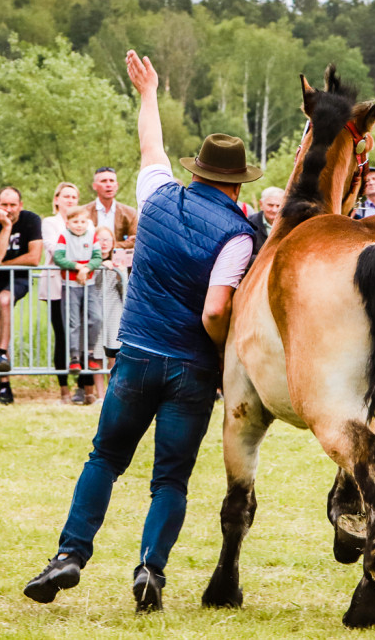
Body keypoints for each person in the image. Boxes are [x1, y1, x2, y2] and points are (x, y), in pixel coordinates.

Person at [24, 50, 259, 612]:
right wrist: (226, 352)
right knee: (170, 479)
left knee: (104, 458)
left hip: (135, 356)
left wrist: (148, 93)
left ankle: (70, 555)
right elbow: (213, 312)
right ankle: (150, 570)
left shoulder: (156, 196)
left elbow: (150, 146)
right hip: (192, 370)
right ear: (235, 184)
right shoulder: (239, 234)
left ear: (196, 170)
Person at [0, 186, 43, 404]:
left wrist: (3, 265)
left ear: (21, 205)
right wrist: (6, 227)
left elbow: (34, 258)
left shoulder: (31, 220)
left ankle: (2, 354)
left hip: (18, 278)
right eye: (4, 205)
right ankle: (3, 387)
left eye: (12, 205)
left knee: (4, 300)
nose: (8, 209)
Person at [40, 182, 88, 404]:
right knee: (62, 335)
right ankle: (63, 390)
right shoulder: (50, 222)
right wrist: (80, 260)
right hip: (57, 286)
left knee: (83, 335)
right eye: (65, 196)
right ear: (56, 199)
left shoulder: (84, 221)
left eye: (74, 197)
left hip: (80, 284)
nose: (70, 200)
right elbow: (53, 248)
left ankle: (83, 388)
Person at [53, 205, 103, 374]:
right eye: (75, 222)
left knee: (96, 318)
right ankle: (74, 356)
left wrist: (87, 268)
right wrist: (77, 267)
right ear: (68, 223)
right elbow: (59, 257)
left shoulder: (91, 235)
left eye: (83, 221)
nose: (79, 225)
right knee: (73, 321)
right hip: (71, 285)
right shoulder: (64, 237)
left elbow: (98, 257)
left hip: (89, 284)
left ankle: (89, 352)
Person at [91, 226, 128, 402]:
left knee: (113, 353)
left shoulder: (118, 263)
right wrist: (99, 265)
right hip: (96, 311)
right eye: (100, 239)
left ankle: (112, 393)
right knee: (97, 354)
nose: (104, 243)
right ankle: (99, 394)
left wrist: (120, 272)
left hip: (114, 310)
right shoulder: (90, 261)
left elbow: (125, 291)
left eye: (107, 240)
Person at [88, 167, 138, 251]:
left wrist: (104, 245)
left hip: (120, 261)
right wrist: (121, 244)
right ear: (95, 186)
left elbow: (135, 242)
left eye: (111, 181)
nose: (108, 185)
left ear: (117, 185)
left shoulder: (130, 213)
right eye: (103, 181)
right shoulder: (84, 212)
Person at [248, 186, 284, 261]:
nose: (274, 210)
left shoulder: (291, 224)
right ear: (261, 204)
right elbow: (243, 257)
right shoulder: (249, 225)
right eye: (270, 205)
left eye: (278, 206)